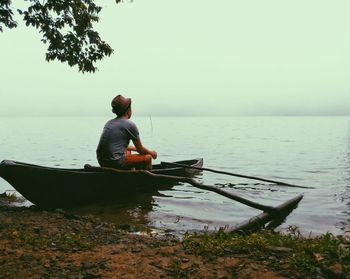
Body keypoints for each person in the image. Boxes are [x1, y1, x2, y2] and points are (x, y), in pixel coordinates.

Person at [96, 95, 157, 170]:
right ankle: (145, 181)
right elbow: (140, 149)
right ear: (128, 110)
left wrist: (136, 150)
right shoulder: (130, 125)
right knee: (148, 158)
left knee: (127, 151)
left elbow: (118, 146)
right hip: (115, 162)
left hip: (102, 161)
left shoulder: (109, 123)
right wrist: (152, 153)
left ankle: (130, 174)